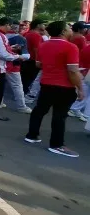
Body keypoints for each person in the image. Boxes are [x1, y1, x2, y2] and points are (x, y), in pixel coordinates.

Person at [25, 21, 83, 158]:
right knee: (60, 116)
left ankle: (32, 135)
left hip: (46, 83)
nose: (71, 30)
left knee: (40, 110)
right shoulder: (71, 47)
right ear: (63, 31)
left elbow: (39, 64)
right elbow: (73, 71)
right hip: (64, 86)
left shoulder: (43, 45)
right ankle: (56, 144)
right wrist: (80, 88)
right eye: (68, 28)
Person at [22, 19, 46, 95]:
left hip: (26, 59)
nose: (44, 26)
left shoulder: (27, 33)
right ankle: (23, 95)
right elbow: (36, 50)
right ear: (38, 25)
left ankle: (21, 94)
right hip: (32, 60)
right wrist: (37, 61)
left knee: (25, 79)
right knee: (29, 79)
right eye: (43, 24)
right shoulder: (36, 35)